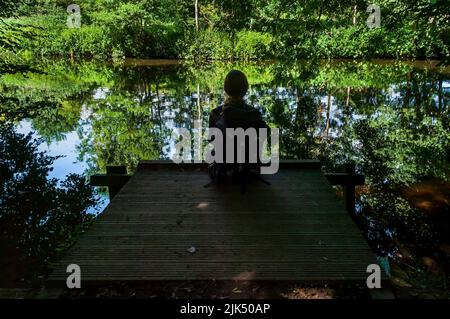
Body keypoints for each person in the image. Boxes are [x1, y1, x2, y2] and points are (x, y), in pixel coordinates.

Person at [207, 70, 268, 191]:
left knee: (211, 154)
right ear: (245, 89)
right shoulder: (254, 113)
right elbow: (263, 136)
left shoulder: (216, 113)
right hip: (249, 168)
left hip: (225, 168)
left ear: (226, 89)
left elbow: (211, 140)